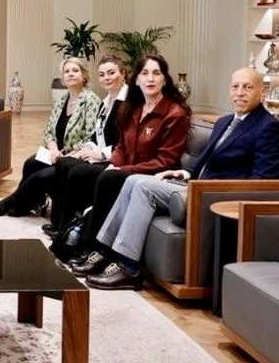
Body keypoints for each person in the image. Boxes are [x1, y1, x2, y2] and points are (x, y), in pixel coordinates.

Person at [83, 67, 279, 290]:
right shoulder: (225, 121)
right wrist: (183, 173)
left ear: (262, 92)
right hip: (192, 185)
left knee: (144, 187)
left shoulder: (268, 127)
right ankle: (106, 251)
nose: (240, 92)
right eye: (235, 87)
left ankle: (129, 268)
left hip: (213, 196)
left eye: (248, 87)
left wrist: (211, 188)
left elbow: (263, 181)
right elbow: (205, 161)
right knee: (132, 180)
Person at [67, 53, 191, 275]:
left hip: (155, 174)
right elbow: (121, 145)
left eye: (156, 73)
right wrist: (114, 163)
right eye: (145, 73)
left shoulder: (174, 113)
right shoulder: (134, 107)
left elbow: (166, 160)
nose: (150, 79)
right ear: (136, 79)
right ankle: (84, 244)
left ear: (164, 79)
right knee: (88, 173)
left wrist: (121, 169)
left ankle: (97, 248)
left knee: (110, 178)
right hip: (128, 170)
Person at [0, 57, 102, 217]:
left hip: (75, 156)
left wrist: (65, 155)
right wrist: (54, 150)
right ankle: (31, 202)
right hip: (56, 153)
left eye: (75, 71)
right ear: (63, 78)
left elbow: (91, 136)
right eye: (67, 71)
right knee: (31, 163)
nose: (70, 74)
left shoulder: (91, 100)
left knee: (41, 176)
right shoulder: (61, 100)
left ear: (84, 76)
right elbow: (49, 131)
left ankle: (12, 202)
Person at [41, 55, 129, 236]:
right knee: (64, 163)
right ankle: (60, 223)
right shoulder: (107, 101)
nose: (107, 78)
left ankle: (68, 226)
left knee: (76, 171)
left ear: (123, 74)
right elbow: (96, 135)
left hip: (114, 159)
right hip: (98, 153)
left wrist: (101, 154)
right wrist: (84, 150)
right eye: (102, 74)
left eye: (111, 73)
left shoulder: (127, 103)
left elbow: (125, 141)